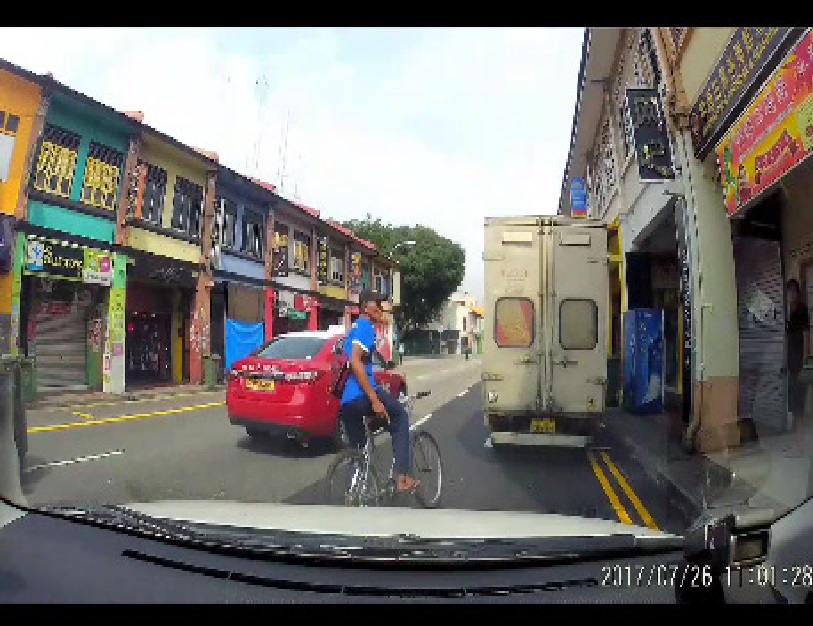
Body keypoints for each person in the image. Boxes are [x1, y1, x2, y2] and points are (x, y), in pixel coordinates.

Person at [339, 289, 420, 493]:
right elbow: (355, 362)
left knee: (362, 449)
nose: (381, 307)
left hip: (347, 402)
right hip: (362, 395)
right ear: (366, 307)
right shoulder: (365, 327)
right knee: (400, 417)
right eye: (377, 303)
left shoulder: (354, 328)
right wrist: (374, 398)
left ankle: (356, 489)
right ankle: (401, 478)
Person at [786, 278, 810, 423]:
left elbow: (806, 335)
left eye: (794, 291)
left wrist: (805, 359)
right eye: (789, 292)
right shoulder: (786, 310)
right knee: (791, 389)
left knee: (800, 388)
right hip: (789, 355)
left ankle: (799, 421)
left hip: (799, 354)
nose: (791, 295)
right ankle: (794, 420)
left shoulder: (802, 309)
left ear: (797, 293)